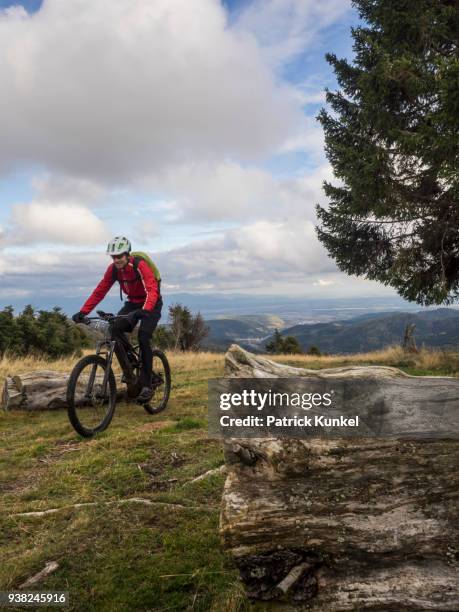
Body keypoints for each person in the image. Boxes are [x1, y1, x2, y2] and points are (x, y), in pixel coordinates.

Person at [72, 236, 162, 403]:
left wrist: (146, 310)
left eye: (119, 256)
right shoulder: (113, 270)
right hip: (133, 303)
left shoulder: (139, 265)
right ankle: (130, 369)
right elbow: (100, 290)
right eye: (113, 257)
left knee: (143, 336)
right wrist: (83, 312)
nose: (116, 260)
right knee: (115, 329)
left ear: (127, 254)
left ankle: (148, 384)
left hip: (152, 303)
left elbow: (152, 289)